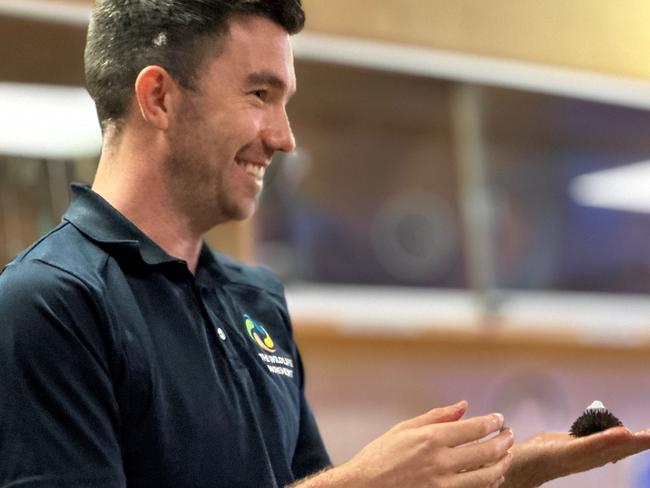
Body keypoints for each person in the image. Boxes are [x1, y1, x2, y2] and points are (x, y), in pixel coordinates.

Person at [1, 1, 649, 487]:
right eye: (260, 94)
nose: (284, 137)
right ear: (159, 96)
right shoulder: (49, 305)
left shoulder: (257, 300)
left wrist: (484, 474)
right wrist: (366, 482)